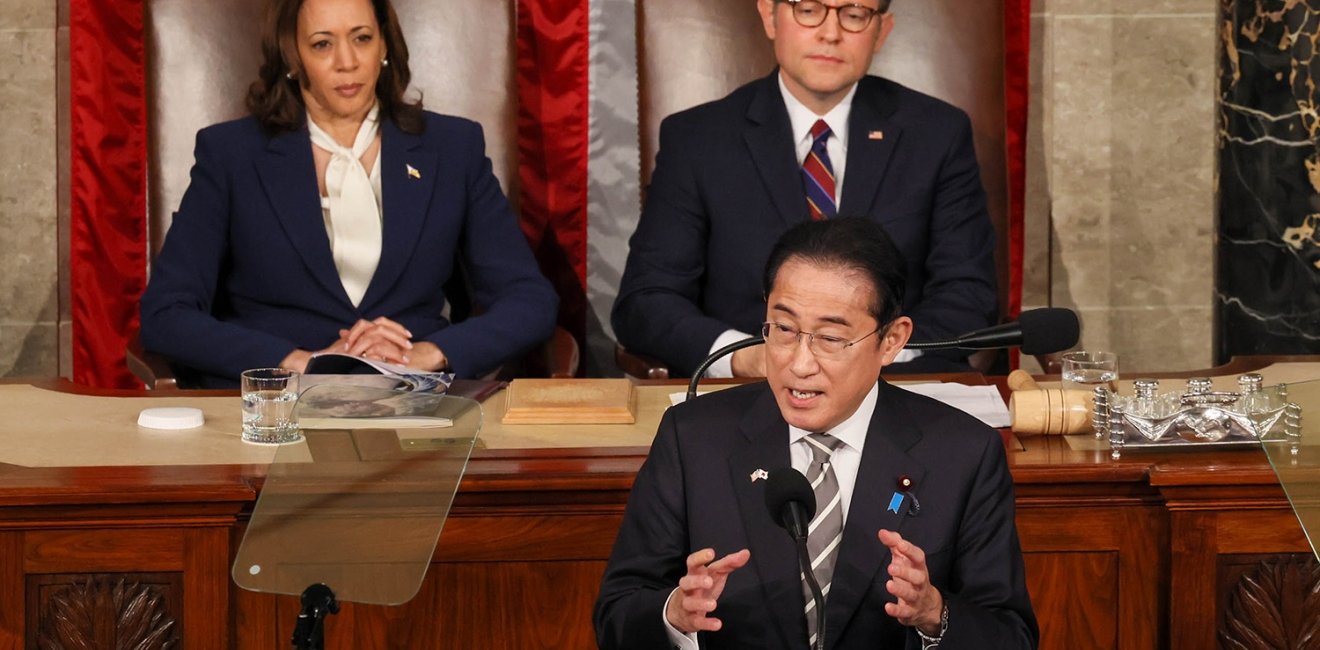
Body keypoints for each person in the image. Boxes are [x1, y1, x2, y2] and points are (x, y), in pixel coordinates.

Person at [595, 218, 1037, 650]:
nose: (799, 364)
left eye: (829, 338)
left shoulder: (963, 453)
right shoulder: (693, 440)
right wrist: (674, 615)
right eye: (784, 329)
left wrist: (934, 613)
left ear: (892, 341)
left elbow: (1011, 635)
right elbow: (617, 615)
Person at [139, 0, 557, 388]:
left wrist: (431, 354)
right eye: (322, 44)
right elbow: (165, 314)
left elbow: (528, 298)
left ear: (384, 46)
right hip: (276, 411)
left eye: (362, 38)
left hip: (415, 404)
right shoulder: (232, 155)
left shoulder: (452, 148)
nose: (347, 62)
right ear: (293, 57)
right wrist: (302, 362)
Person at [611, 0, 998, 379]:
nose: (830, 34)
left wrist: (879, 359)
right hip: (749, 393)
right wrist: (746, 357)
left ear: (881, 30)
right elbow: (646, 302)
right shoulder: (698, 139)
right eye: (809, 9)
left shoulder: (936, 135)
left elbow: (967, 292)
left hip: (893, 391)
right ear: (769, 16)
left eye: (854, 14)